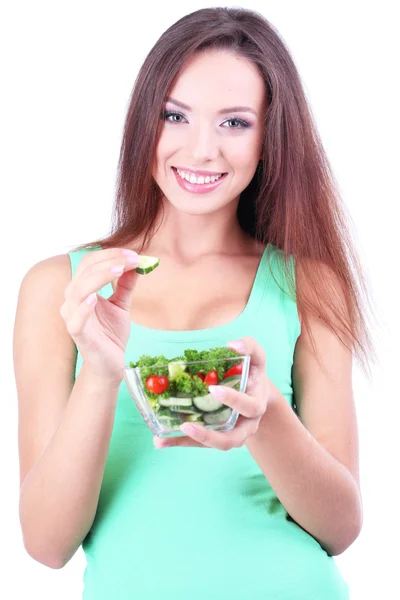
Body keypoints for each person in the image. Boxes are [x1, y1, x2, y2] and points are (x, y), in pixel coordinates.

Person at [13, 6, 376, 600]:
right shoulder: (59, 287)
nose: (201, 149)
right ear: (144, 123)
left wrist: (267, 420)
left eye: (234, 124)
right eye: (175, 115)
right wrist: (101, 374)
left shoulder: (309, 285)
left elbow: (340, 530)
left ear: (269, 137)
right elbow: (47, 544)